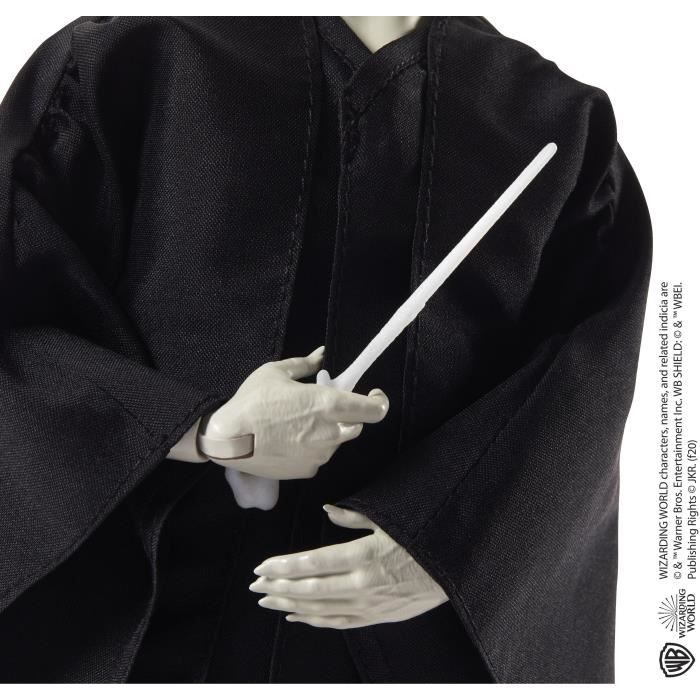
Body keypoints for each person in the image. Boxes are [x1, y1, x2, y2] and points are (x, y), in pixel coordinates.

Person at [0, 16, 652, 682]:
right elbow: (17, 318)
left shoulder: (555, 120)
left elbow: (581, 386)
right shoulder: (127, 63)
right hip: (148, 636)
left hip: (412, 649)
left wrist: (459, 542)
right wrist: (203, 429)